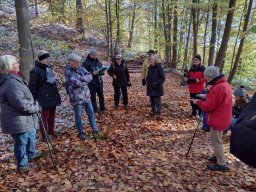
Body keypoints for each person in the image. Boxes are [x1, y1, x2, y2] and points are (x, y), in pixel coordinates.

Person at [0, 55, 42, 172]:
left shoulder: (15, 78)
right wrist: (36, 108)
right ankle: (22, 165)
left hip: (25, 118)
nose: (18, 64)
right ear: (9, 67)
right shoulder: (10, 83)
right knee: (21, 143)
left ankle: (31, 154)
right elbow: (20, 104)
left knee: (29, 137)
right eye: (15, 63)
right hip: (17, 119)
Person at [191, 66, 232, 172]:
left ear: (211, 77)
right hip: (222, 117)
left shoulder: (218, 87)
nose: (207, 80)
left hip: (218, 118)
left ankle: (221, 163)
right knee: (217, 140)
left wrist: (198, 102)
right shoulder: (224, 84)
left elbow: (207, 106)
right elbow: (217, 100)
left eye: (207, 78)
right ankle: (217, 156)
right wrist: (205, 96)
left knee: (216, 141)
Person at [65, 53, 99, 141]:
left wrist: (81, 79)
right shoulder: (68, 71)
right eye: (76, 62)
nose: (78, 64)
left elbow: (90, 76)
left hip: (86, 95)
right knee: (78, 115)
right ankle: (80, 132)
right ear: (71, 61)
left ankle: (95, 130)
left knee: (91, 113)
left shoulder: (80, 67)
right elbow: (74, 82)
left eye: (78, 62)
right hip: (76, 97)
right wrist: (84, 80)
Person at [29, 50, 61, 141]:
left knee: (52, 115)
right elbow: (32, 86)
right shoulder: (34, 71)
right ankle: (44, 135)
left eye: (48, 58)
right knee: (44, 117)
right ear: (41, 59)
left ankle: (51, 131)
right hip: (44, 97)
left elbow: (51, 81)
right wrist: (34, 98)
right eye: (46, 58)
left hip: (52, 94)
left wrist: (55, 76)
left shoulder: (48, 68)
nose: (48, 60)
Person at [82, 47, 106, 115]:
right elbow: (83, 73)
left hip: (99, 82)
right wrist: (92, 73)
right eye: (94, 55)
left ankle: (102, 108)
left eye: (96, 55)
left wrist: (102, 72)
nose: (95, 56)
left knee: (101, 95)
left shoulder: (98, 61)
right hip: (91, 83)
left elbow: (100, 69)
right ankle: (95, 110)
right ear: (90, 55)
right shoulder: (85, 63)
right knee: (93, 97)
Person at [146, 55, 165, 119]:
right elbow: (148, 76)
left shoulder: (159, 67)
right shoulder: (149, 67)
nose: (150, 60)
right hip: (150, 86)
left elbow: (163, 78)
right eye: (150, 59)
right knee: (152, 100)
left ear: (155, 60)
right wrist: (146, 81)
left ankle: (158, 113)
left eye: (152, 59)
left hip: (157, 87)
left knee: (157, 101)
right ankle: (153, 111)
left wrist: (157, 83)